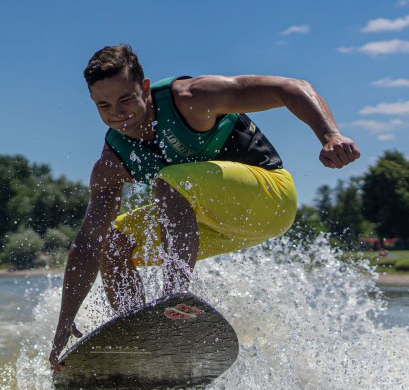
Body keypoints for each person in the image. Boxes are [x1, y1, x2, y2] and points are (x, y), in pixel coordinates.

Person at [50, 44, 360, 371]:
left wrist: (330, 135)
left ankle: (173, 301)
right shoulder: (112, 162)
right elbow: (88, 242)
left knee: (170, 180)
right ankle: (142, 339)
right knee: (113, 243)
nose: (117, 113)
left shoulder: (192, 98)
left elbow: (291, 88)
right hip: (211, 226)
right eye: (104, 105)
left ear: (145, 89)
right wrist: (65, 319)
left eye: (126, 99)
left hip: (271, 201)